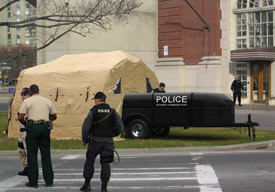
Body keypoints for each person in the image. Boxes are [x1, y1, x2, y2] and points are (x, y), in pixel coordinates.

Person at [81, 91, 124, 192]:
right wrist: (113, 134)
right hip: (108, 141)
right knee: (105, 164)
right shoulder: (112, 111)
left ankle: (87, 185)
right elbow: (120, 127)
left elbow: (85, 128)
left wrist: (85, 139)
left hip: (95, 140)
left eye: (95, 100)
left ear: (97, 100)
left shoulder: (93, 111)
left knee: (89, 162)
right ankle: (104, 188)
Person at [18, 84, 57, 188]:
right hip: (45, 128)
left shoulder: (27, 101)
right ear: (38, 91)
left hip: (33, 128)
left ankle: (33, 181)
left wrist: (27, 124)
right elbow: (54, 116)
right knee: (46, 154)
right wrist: (46, 119)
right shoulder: (47, 101)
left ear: (30, 92)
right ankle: (49, 180)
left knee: (32, 154)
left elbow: (20, 116)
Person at [16, 87, 30, 176]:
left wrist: (19, 117)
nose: (23, 96)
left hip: (26, 130)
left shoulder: (29, 103)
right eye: (22, 95)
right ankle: (25, 167)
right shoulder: (24, 104)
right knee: (21, 150)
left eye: (25, 94)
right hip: (22, 131)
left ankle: (29, 169)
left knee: (27, 151)